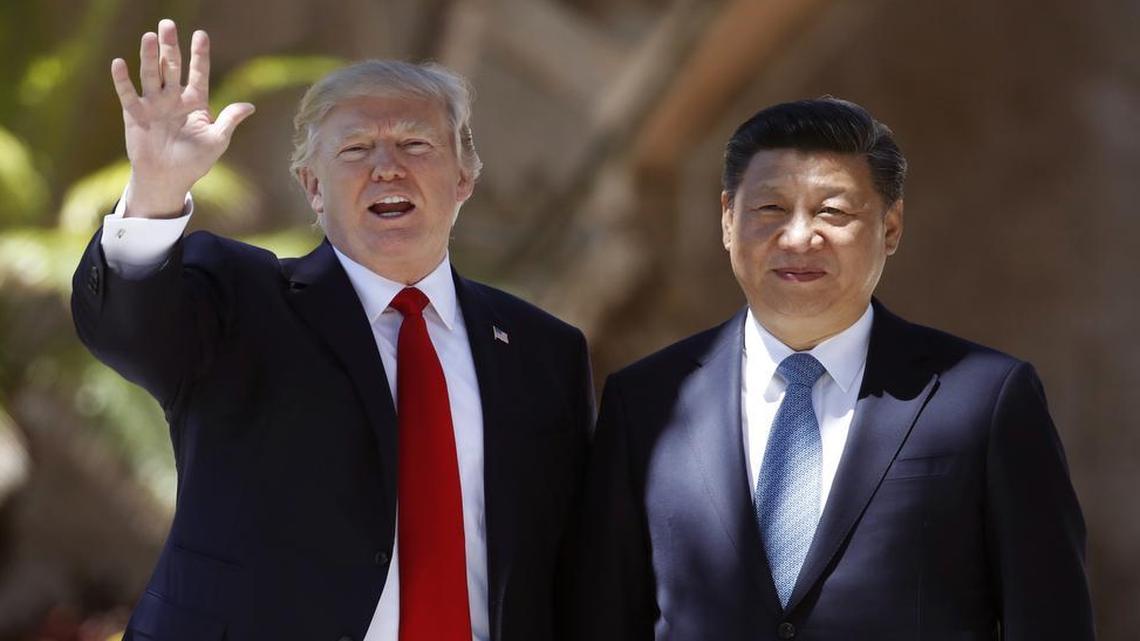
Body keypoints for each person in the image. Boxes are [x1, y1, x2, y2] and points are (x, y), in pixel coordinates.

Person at [72, 19, 593, 641]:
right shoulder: (243, 300)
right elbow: (127, 326)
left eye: (415, 145)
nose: (386, 168)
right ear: (313, 188)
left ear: (464, 179)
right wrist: (154, 191)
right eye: (354, 150)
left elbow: (568, 558)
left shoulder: (544, 351)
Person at [570, 97, 1094, 640]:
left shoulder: (984, 399)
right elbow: (604, 617)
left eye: (833, 212)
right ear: (728, 219)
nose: (799, 238)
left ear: (890, 227)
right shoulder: (647, 400)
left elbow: (1051, 619)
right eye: (770, 209)